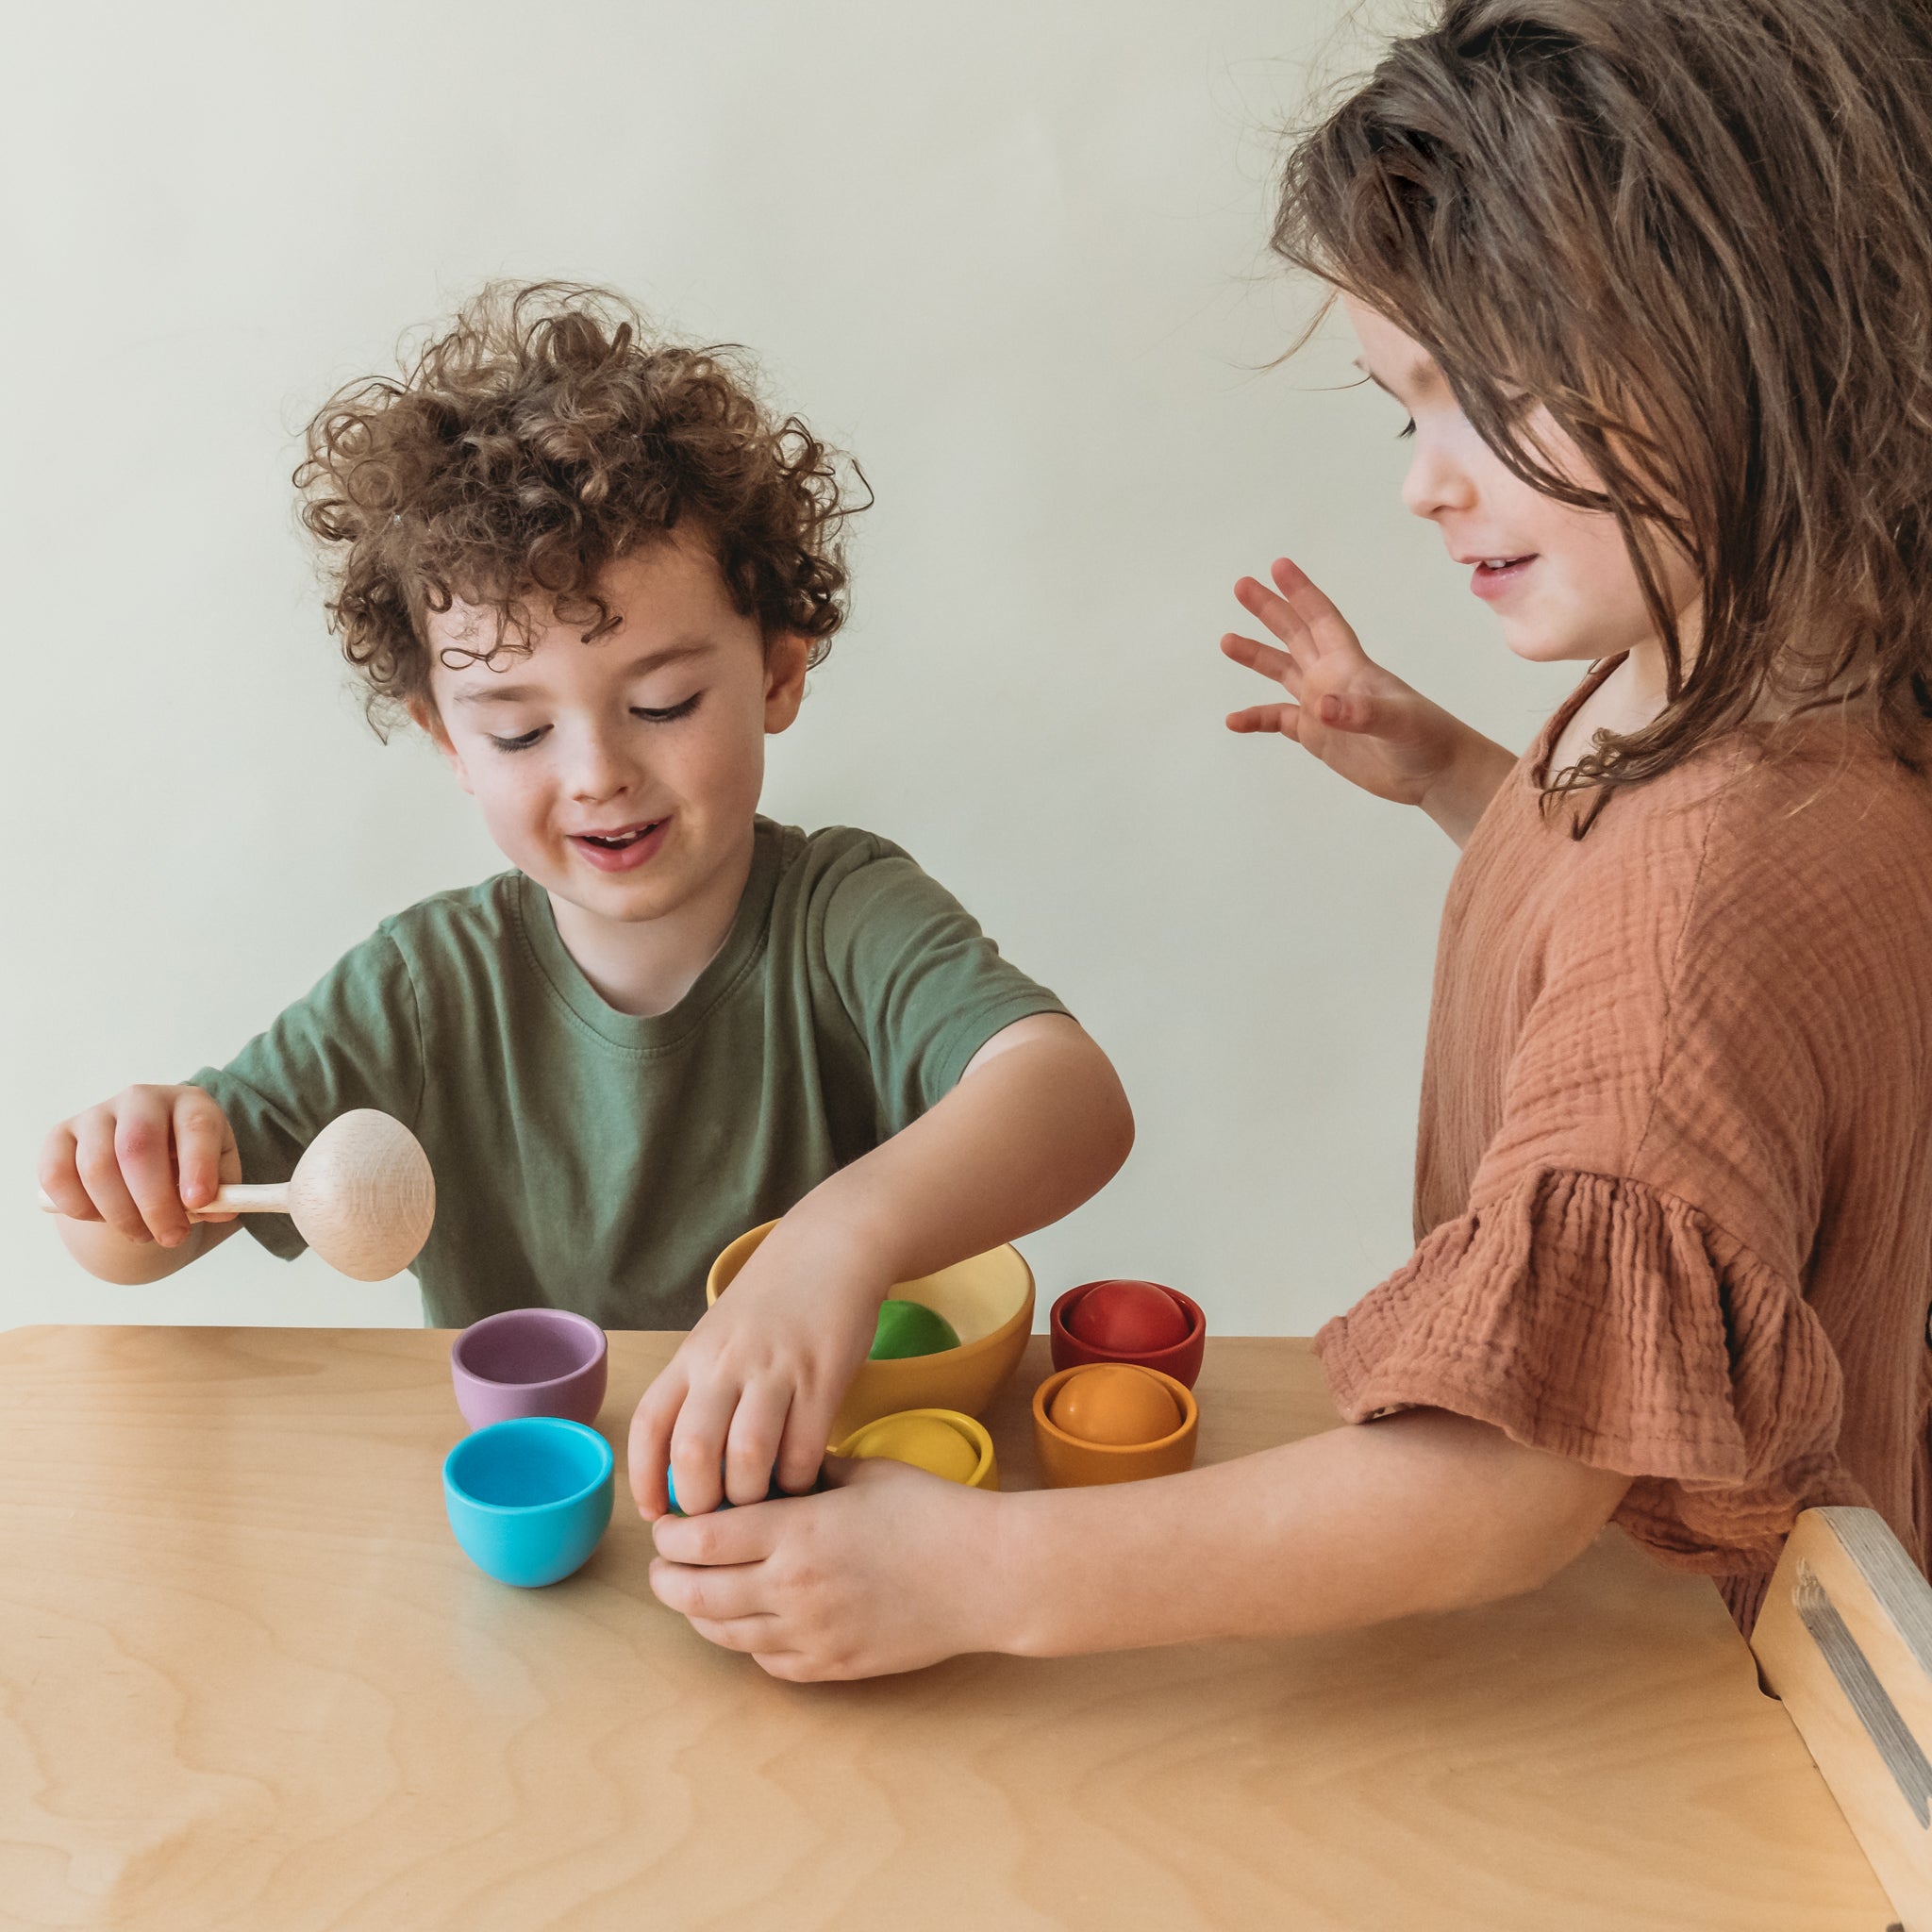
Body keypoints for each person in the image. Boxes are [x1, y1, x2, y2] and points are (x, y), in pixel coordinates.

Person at [645, 0, 1932, 1675]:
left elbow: (1505, 1481)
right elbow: (1646, 945)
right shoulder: (1779, 684)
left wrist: (974, 1574)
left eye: (1492, 394)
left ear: (1754, 329)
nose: (1426, 482)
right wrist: (1454, 779)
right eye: (1409, 411)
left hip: (1686, 1693)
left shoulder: (1710, 892)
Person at [38, 284, 1135, 1518]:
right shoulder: (422, 989)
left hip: (820, 1514)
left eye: (663, 704)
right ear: (446, 738)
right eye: (515, 730)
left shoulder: (845, 915)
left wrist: (830, 1246)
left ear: (777, 671)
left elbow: (1074, 1100)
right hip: (548, 1524)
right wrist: (129, 1173)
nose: (599, 772)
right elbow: (142, 1245)